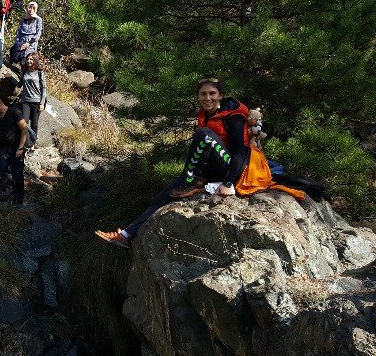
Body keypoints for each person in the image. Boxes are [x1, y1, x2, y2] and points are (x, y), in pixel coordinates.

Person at [94, 76, 256, 248]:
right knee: (164, 195)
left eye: (212, 93)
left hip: (232, 167)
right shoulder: (207, 114)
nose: (207, 98)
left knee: (203, 134)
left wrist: (229, 182)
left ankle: (189, 179)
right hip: (213, 168)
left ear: (221, 95)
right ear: (198, 96)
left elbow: (240, 152)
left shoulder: (233, 115)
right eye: (203, 94)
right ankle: (126, 235)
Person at [18, 52, 47, 137]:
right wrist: (9, 77)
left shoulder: (39, 73)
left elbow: (44, 89)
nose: (28, 61)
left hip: (36, 101)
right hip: (25, 101)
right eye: (27, 59)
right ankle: (25, 143)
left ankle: (32, 143)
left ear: (35, 60)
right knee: (24, 123)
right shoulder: (24, 72)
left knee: (34, 124)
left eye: (31, 59)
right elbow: (19, 85)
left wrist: (42, 103)